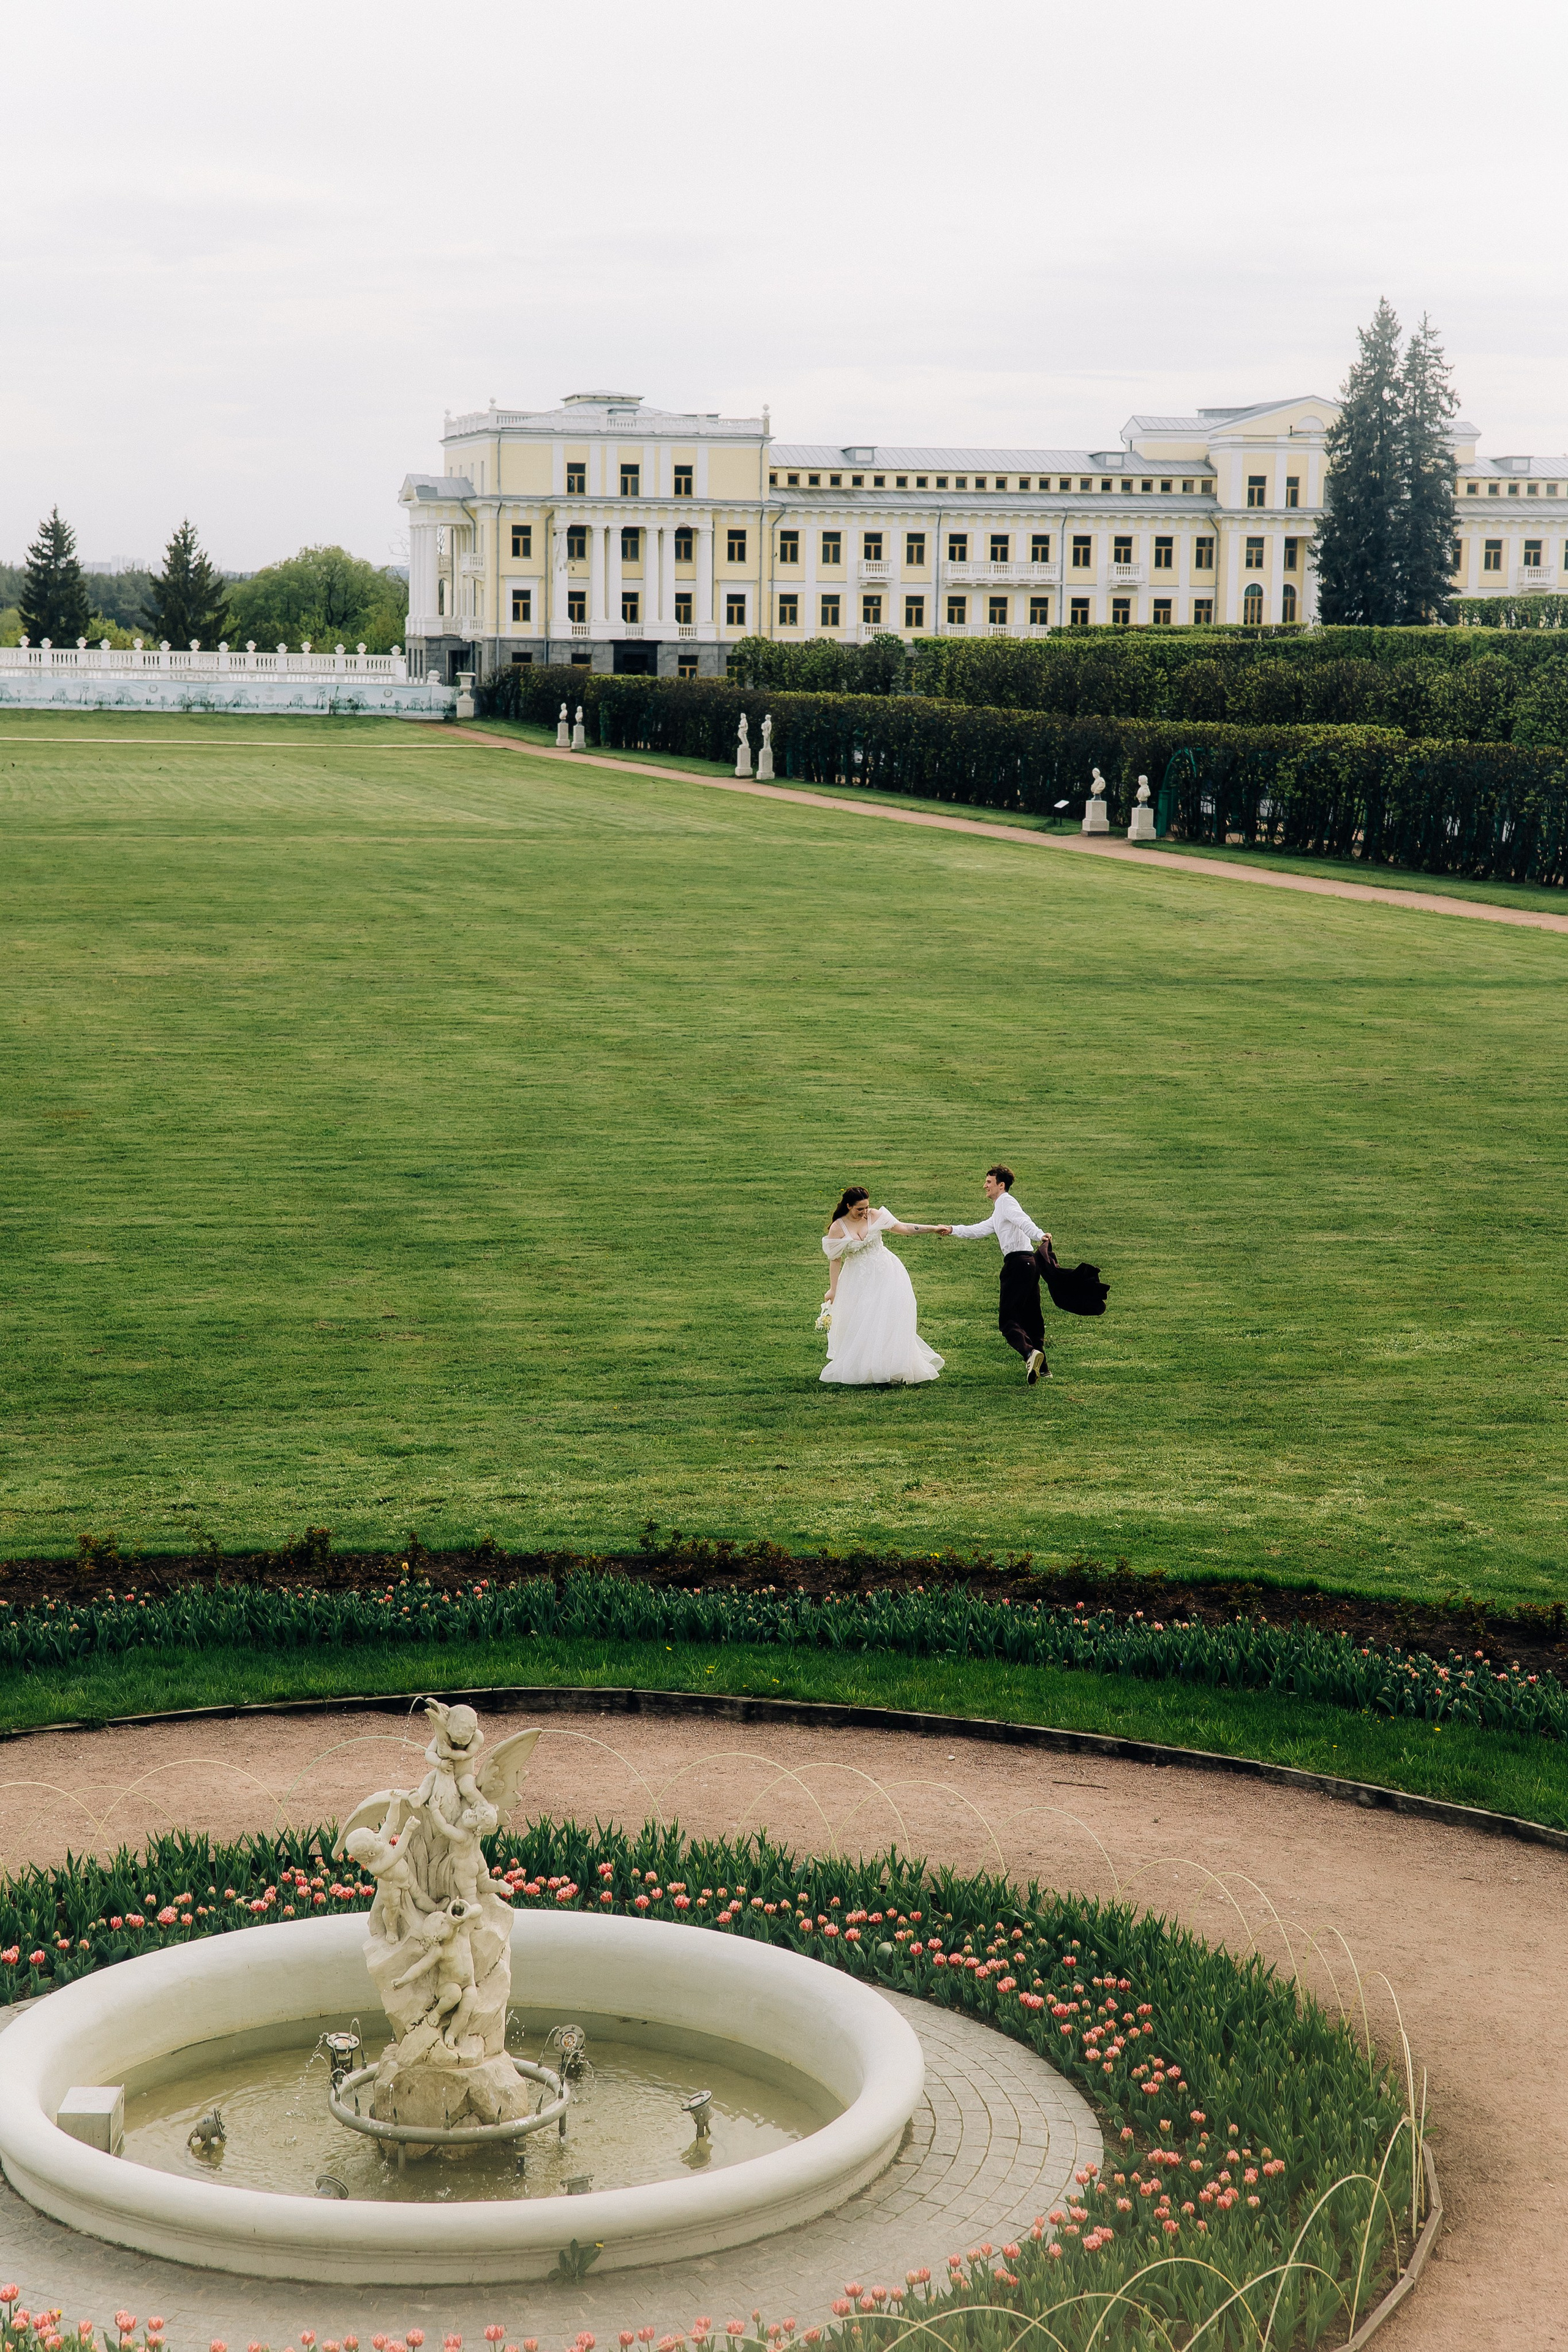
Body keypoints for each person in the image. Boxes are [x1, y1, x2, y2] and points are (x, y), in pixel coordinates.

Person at [818, 1185, 946, 1386]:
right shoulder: (838, 1228)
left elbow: (903, 1228)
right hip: (857, 1279)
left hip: (887, 1273)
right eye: (859, 1209)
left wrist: (933, 1228)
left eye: (866, 1207)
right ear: (849, 1206)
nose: (864, 1212)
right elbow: (835, 1260)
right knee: (862, 1319)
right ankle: (866, 1367)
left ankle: (893, 1367)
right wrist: (833, 1289)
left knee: (888, 1317)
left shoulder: (874, 1215)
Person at [944, 1164, 1052, 1384]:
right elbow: (979, 1229)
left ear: (1001, 1186)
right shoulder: (1000, 1210)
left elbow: (1023, 1220)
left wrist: (1039, 1235)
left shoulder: (1006, 1202)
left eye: (989, 1182)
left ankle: (1030, 1354)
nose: (985, 1186)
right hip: (1030, 1264)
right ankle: (1045, 1370)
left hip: (1017, 1265)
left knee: (1008, 1321)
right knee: (1032, 1317)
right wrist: (952, 1229)